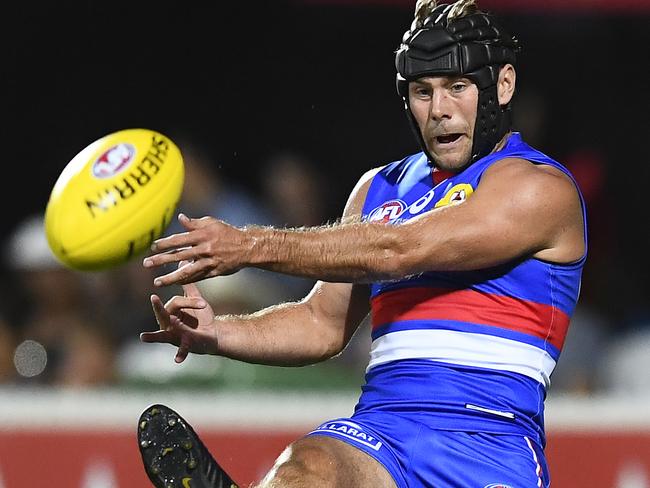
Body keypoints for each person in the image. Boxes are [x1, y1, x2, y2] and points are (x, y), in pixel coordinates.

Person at [136, 0, 587, 486]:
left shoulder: (538, 188)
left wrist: (249, 246)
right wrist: (216, 333)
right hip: (380, 434)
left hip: (486, 443)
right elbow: (320, 323)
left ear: (502, 85)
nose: (439, 110)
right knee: (307, 466)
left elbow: (400, 251)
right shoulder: (378, 189)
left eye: (457, 88)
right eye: (422, 91)